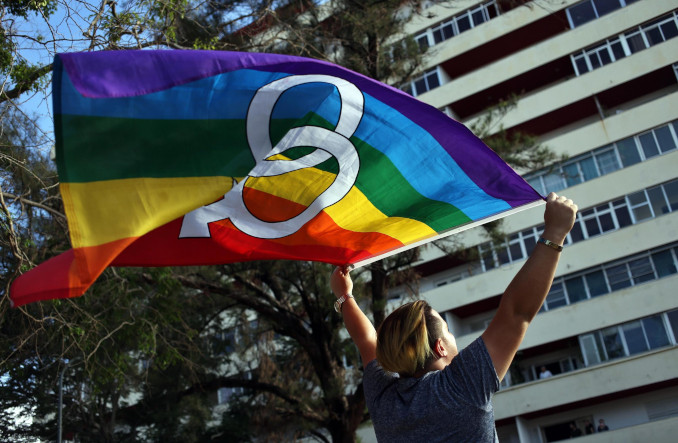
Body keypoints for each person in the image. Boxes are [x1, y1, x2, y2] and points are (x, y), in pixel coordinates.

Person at [330, 192, 577, 442]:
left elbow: (366, 341)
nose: (452, 335)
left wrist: (345, 297)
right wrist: (555, 232)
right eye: (447, 330)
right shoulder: (461, 385)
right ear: (439, 347)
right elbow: (516, 312)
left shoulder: (385, 401)